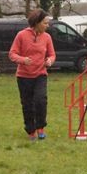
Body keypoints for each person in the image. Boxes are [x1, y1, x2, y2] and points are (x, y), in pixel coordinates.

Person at [9, 9, 56, 140]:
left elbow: (52, 54)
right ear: (37, 22)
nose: (48, 25)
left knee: (41, 101)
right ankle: (31, 131)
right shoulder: (21, 35)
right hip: (23, 76)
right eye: (45, 23)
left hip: (40, 74)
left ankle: (41, 127)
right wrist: (23, 60)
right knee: (27, 104)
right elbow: (12, 54)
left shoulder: (47, 37)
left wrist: (49, 61)